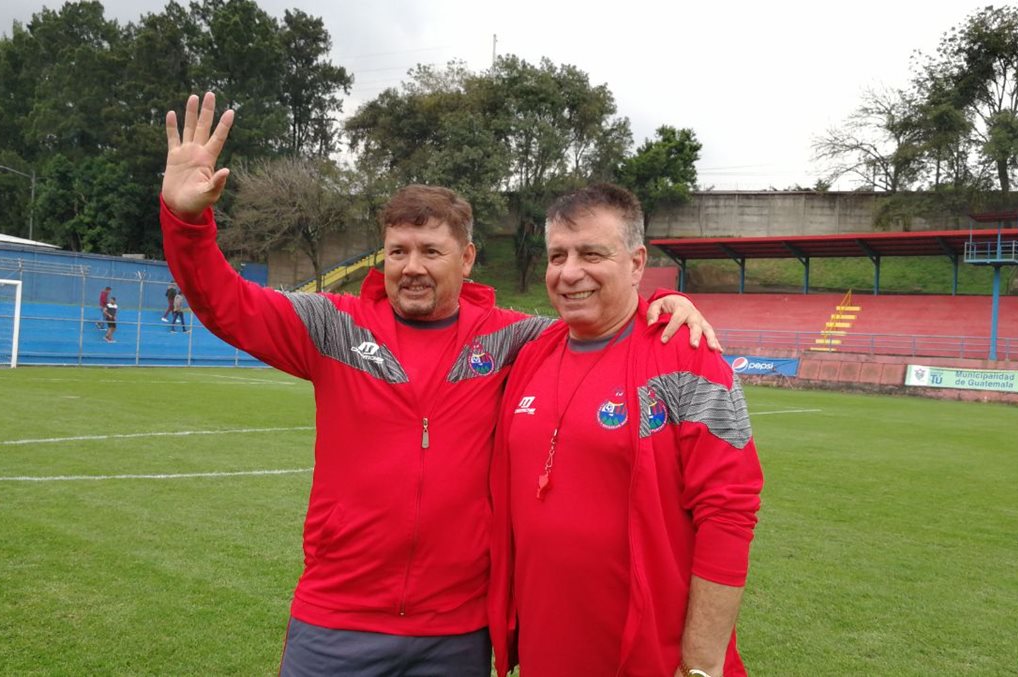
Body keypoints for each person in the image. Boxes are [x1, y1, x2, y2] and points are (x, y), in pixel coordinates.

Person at [159, 92, 720, 677]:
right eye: (397, 251)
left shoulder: (513, 340)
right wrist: (187, 221)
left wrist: (660, 300)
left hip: (457, 631)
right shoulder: (333, 326)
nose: (412, 266)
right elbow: (225, 302)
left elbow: (594, 312)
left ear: (468, 258)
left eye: (431, 250)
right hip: (337, 622)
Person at [490, 183, 764, 677]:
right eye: (557, 256)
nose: (569, 272)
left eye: (591, 253)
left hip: (650, 659)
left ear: (637, 263)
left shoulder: (688, 355)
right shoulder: (530, 353)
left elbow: (729, 513)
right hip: (544, 652)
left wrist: (701, 665)